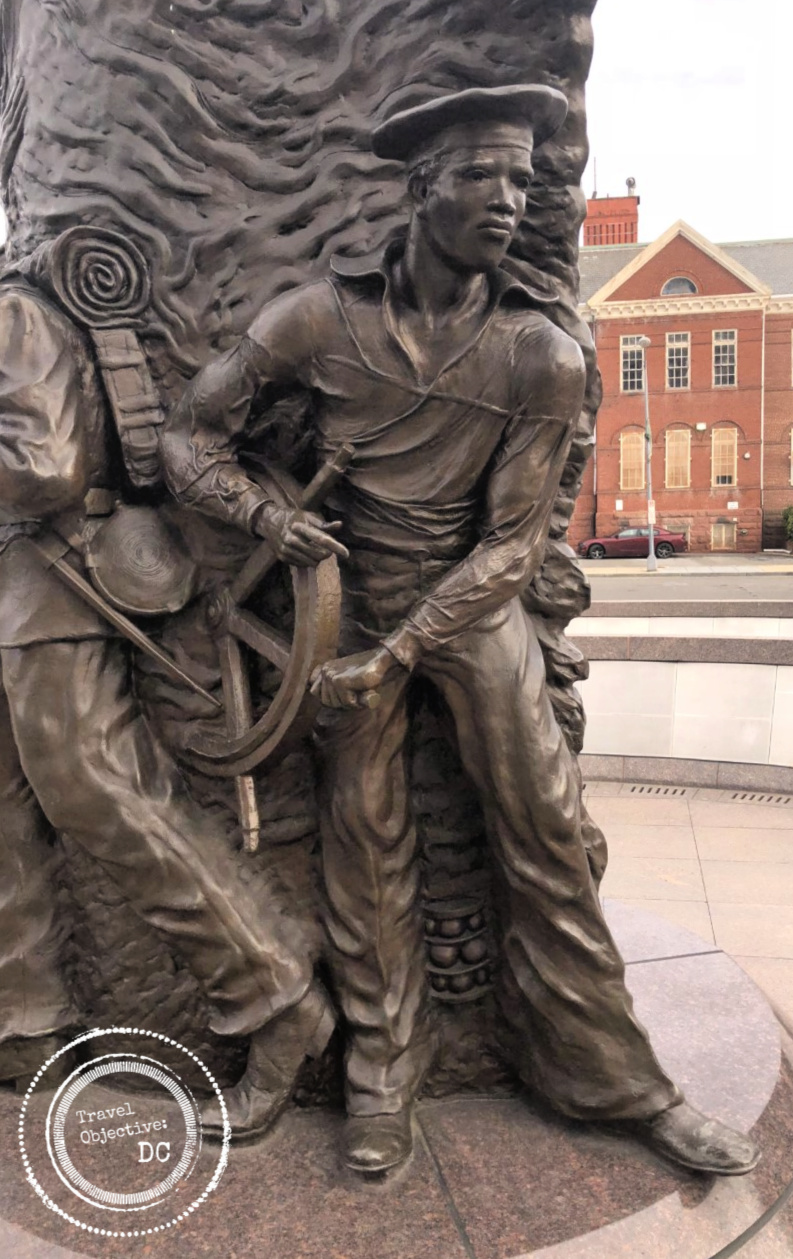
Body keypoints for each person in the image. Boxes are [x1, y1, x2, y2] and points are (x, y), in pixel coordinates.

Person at [162, 85, 759, 1178]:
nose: (506, 199)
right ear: (423, 184)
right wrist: (269, 519)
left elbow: (512, 548)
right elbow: (188, 439)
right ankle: (380, 1078)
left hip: (472, 608)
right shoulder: (311, 320)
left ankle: (624, 1083)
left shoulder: (541, 353)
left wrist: (393, 654)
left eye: (522, 180)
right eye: (481, 175)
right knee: (362, 837)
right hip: (348, 597)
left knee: (542, 828)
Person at [0, 270, 335, 1136]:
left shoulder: (12, 314)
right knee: (5, 813)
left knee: (99, 791)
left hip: (52, 588)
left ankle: (273, 989)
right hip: (12, 591)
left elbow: (45, 469)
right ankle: (29, 1021)